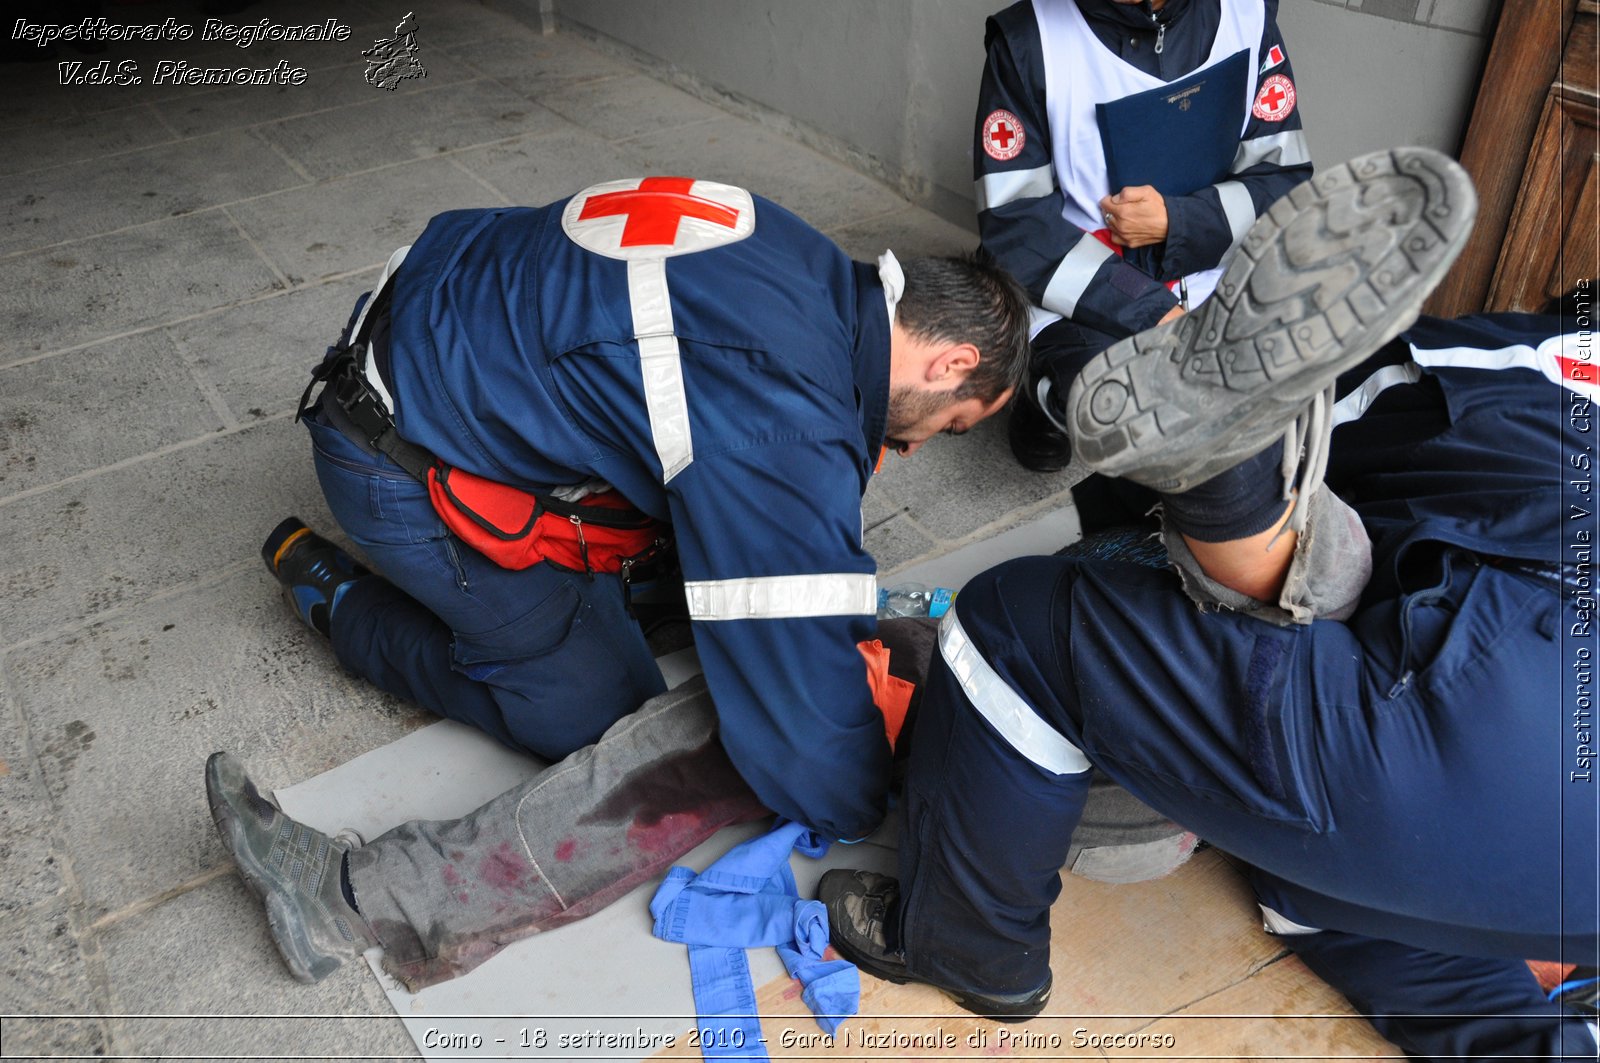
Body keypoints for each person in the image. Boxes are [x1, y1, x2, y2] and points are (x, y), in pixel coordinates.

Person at [820, 147, 1600, 1058]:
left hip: (1506, 714)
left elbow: (1285, 488)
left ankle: (968, 948)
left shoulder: (1507, 360)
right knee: (1329, 882)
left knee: (1017, 626)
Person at [207, 176, 1029, 984]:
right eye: (952, 422)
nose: (920, 447)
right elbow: (802, 714)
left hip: (432, 326)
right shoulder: (783, 407)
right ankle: (347, 605)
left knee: (708, 580)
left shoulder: (808, 269)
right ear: (951, 359)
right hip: (395, 457)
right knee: (597, 712)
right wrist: (864, 786)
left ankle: (516, 600)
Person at [975, 0, 1313, 476]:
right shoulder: (1031, 38)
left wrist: (1180, 222)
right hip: (1081, 296)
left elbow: (1284, 181)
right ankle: (1037, 384)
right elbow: (1016, 225)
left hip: (1213, 275)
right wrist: (1156, 314)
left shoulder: (1247, 14)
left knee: (1291, 387)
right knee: (1130, 407)